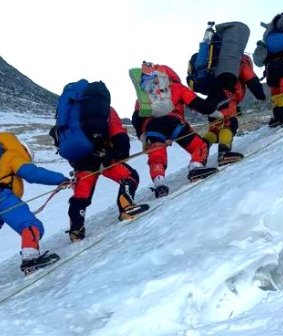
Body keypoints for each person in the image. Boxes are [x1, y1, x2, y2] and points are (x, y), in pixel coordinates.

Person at [0, 132, 70, 300]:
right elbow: (31, 173)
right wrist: (61, 179)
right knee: (30, 224)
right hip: (2, 197)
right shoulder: (11, 155)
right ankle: (30, 259)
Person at [53, 81, 146, 240]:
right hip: (103, 156)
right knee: (130, 177)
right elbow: (118, 133)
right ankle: (125, 207)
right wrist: (121, 153)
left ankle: (76, 229)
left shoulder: (69, 115)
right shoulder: (105, 110)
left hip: (81, 161)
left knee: (81, 194)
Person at [131, 62, 223, 197]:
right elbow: (198, 104)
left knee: (157, 155)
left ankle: (159, 184)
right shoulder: (176, 87)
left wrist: (142, 136)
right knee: (200, 145)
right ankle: (196, 167)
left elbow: (136, 118)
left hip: (153, 127)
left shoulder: (145, 94)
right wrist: (216, 113)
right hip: (175, 124)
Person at [203, 54, 265, 164]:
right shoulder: (240, 61)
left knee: (214, 129)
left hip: (211, 100)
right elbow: (252, 80)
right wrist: (261, 95)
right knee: (229, 124)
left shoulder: (219, 61)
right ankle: (224, 154)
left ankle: (200, 154)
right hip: (227, 97)